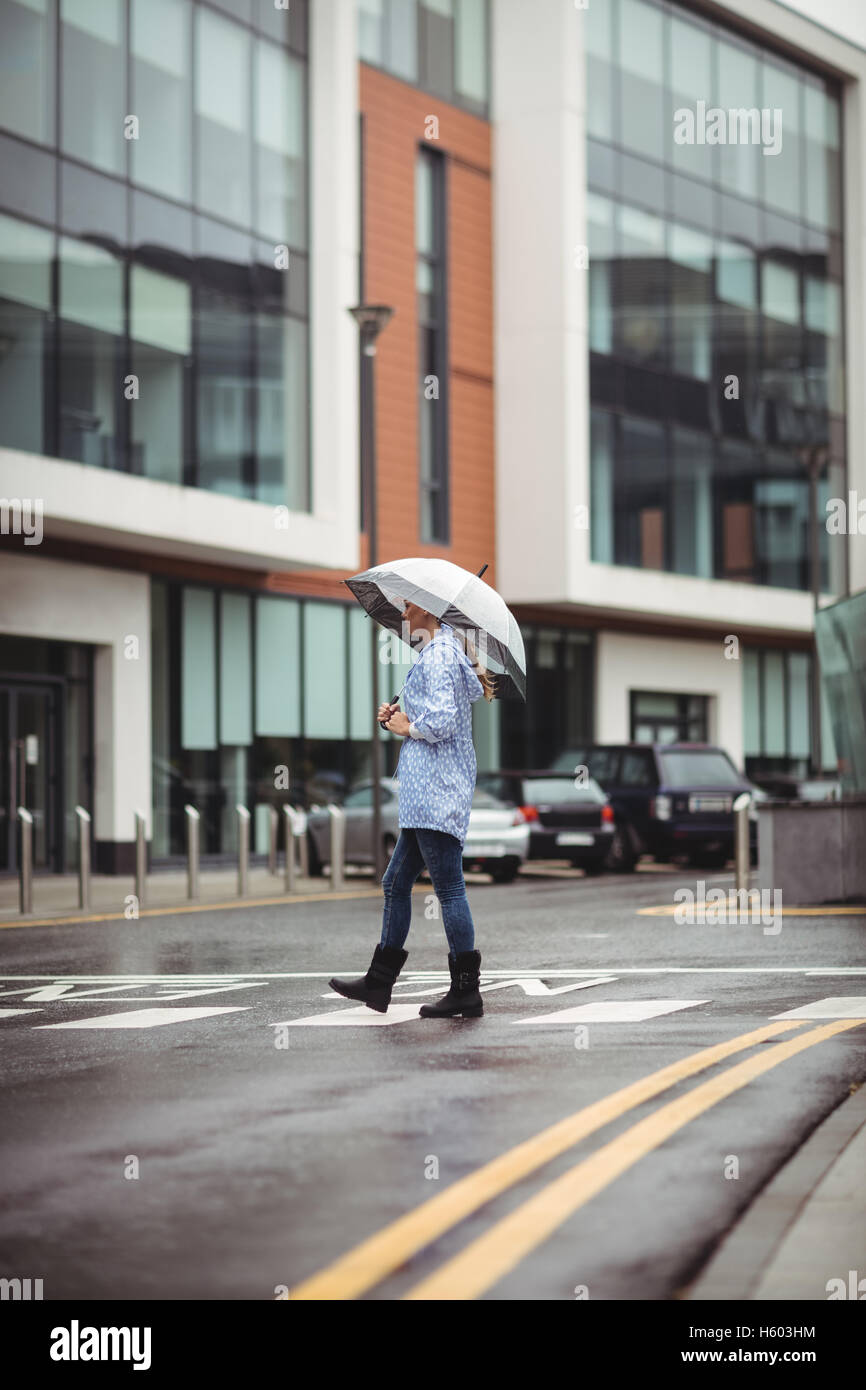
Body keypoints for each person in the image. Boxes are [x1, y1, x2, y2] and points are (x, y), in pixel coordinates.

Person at [329, 600, 496, 1018]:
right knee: (396, 882)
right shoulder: (437, 653)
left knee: (449, 890)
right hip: (428, 794)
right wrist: (399, 716)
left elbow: (441, 721)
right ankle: (379, 982)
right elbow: (437, 714)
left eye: (408, 607)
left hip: (435, 793)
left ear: (427, 610)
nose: (403, 615)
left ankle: (465, 992)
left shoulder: (439, 655)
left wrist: (408, 726)